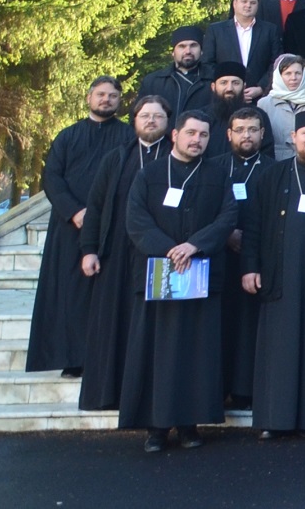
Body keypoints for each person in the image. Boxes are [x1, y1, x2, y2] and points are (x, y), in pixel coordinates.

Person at [117, 109, 237, 452]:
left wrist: (195, 245)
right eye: (191, 134)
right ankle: (156, 428)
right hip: (159, 275)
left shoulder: (217, 174)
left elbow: (228, 215)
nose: (197, 140)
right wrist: (170, 249)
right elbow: (136, 219)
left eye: (203, 135)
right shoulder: (150, 174)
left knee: (196, 354)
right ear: (175, 136)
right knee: (157, 353)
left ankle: (190, 425)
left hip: (201, 274)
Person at [242, 108, 305, 438]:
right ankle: (274, 419)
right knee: (277, 348)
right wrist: (250, 267)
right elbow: (253, 226)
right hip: (278, 273)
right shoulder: (271, 176)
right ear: (293, 137)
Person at [28, 77, 131, 377]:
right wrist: (75, 211)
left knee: (105, 293)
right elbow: (52, 178)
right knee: (69, 293)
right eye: (101, 95)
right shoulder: (67, 136)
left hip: (113, 227)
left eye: (113, 96)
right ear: (89, 98)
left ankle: (105, 359)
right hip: (69, 226)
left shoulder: (127, 137)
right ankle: (72, 358)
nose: (106, 100)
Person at [78, 96, 170, 412]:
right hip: (117, 253)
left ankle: (148, 395)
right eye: (145, 115)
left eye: (158, 116)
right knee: (114, 324)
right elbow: (97, 206)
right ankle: (110, 393)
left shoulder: (175, 159)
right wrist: (89, 249)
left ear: (168, 122)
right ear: (134, 120)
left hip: (160, 254)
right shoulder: (116, 159)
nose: (151, 121)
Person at [218, 107, 270, 408]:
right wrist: (226, 234)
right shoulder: (213, 167)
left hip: (254, 261)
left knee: (249, 327)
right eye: (240, 129)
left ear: (262, 134)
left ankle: (244, 390)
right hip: (218, 258)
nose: (246, 135)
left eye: (252, 129)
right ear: (229, 134)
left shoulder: (273, 169)